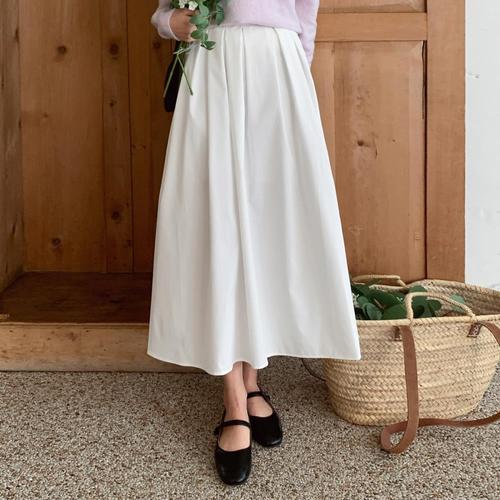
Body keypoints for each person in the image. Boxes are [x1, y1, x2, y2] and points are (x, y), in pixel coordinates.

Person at [148, 0, 361, 486]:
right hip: (213, 64)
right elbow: (163, 14)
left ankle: (252, 381)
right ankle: (234, 401)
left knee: (268, 224)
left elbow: (306, 12)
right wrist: (175, 24)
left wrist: (297, 72)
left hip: (278, 71)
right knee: (218, 219)